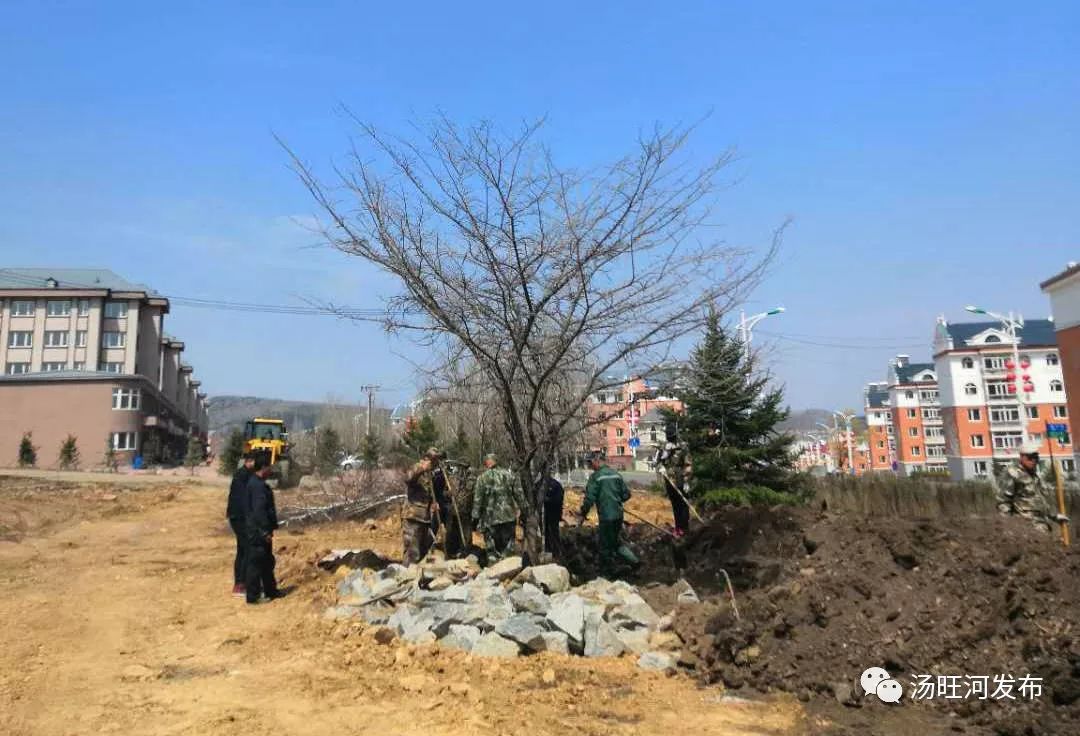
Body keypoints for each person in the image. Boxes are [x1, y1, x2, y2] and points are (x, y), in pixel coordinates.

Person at [577, 451, 638, 577]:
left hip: (606, 516)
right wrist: (616, 501)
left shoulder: (596, 477)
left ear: (597, 461)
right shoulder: (616, 474)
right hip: (618, 515)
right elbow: (626, 494)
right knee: (616, 542)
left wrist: (583, 513)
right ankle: (634, 561)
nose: (589, 466)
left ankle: (608, 573)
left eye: (590, 463)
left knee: (605, 545)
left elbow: (589, 499)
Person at [996, 441, 1069, 534]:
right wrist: (1010, 528)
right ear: (1022, 457)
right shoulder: (1012, 473)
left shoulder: (1033, 475)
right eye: (1030, 457)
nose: (1034, 461)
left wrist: (1054, 515)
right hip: (1026, 527)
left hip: (1041, 524)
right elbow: (1003, 502)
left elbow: (1040, 499)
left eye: (1036, 457)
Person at [243, 458, 281, 604]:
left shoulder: (257, 483)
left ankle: (271, 590)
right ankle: (253, 596)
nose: (271, 470)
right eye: (269, 467)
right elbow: (259, 511)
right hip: (258, 531)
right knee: (256, 563)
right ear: (263, 467)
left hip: (259, 530)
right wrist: (265, 531)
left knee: (266, 562)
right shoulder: (257, 486)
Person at [472, 453, 521, 563]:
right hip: (508, 517)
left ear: (486, 463)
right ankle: (509, 571)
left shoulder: (482, 478)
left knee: (492, 550)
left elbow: (477, 500)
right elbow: (519, 495)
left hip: (489, 519)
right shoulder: (510, 475)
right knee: (508, 548)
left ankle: (493, 570)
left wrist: (475, 517)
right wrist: (525, 510)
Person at [402, 447, 446, 564]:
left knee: (423, 552)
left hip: (425, 519)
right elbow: (408, 478)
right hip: (413, 517)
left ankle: (418, 579)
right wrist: (422, 468)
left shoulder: (431, 474)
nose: (436, 464)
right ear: (427, 459)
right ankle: (407, 578)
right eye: (434, 461)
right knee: (412, 553)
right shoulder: (417, 468)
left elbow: (429, 494)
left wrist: (434, 503)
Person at [654, 423, 693, 537]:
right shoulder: (664, 447)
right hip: (669, 480)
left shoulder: (682, 447)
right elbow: (656, 462)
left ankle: (684, 529)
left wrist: (686, 480)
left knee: (683, 505)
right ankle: (678, 528)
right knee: (675, 505)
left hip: (681, 480)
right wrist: (660, 466)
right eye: (668, 435)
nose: (669, 437)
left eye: (671, 435)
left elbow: (688, 464)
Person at [226, 452, 256, 597]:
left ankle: (243, 583)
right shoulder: (242, 476)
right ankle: (240, 585)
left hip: (240, 517)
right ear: (250, 461)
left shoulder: (247, 475)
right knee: (246, 549)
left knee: (244, 549)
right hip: (239, 518)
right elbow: (242, 501)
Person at [543, 473, 565, 557]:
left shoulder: (556, 485)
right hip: (544, 514)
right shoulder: (539, 484)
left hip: (554, 513)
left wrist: (548, 500)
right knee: (545, 533)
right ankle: (547, 549)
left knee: (554, 532)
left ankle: (557, 552)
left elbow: (559, 499)